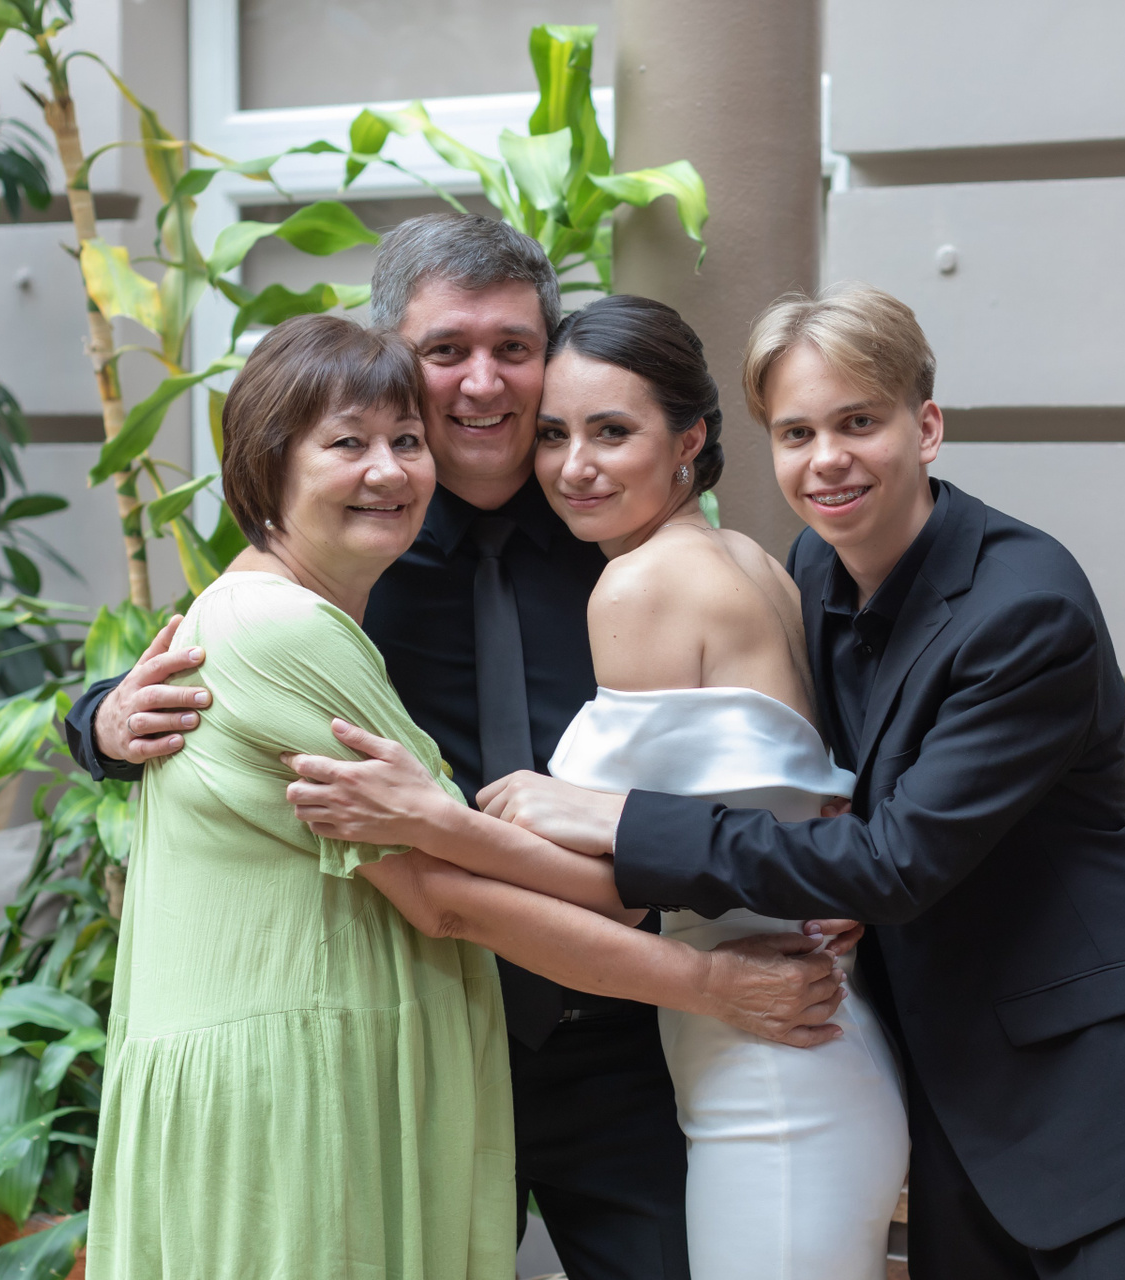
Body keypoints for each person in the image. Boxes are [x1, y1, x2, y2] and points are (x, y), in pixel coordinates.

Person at [65, 214, 842, 1279]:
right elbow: (219, 659)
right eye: (446, 351)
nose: (483, 382)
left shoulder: (616, 529)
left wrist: (831, 858)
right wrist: (104, 722)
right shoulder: (351, 536)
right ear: (396, 358)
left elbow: (769, 731)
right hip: (421, 1031)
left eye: (513, 348)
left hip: (623, 1028)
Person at [441, 285, 1125, 1277]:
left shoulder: (1026, 606)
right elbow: (827, 802)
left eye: (858, 422)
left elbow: (893, 861)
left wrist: (614, 817)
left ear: (927, 427)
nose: (827, 458)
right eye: (798, 432)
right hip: (939, 1092)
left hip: (1098, 1107)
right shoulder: (811, 572)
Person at [285, 294, 911, 1280]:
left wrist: (429, 819)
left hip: (759, 1047)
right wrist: (107, 722)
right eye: (555, 435)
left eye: (612, 432)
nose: (574, 465)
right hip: (783, 1037)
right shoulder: (754, 557)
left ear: (689, 440)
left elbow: (622, 889)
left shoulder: (635, 582)